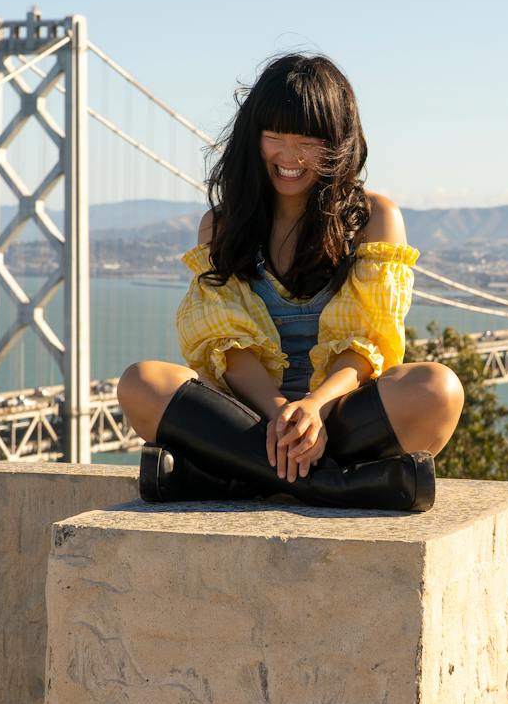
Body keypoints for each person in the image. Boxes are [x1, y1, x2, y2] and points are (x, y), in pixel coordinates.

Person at [116, 53, 463, 512]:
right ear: (253, 138)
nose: (289, 157)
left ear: (338, 142)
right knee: (140, 383)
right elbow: (230, 350)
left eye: (307, 141)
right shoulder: (222, 227)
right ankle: (338, 486)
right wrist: (281, 412)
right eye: (274, 137)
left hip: (340, 414)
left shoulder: (374, 219)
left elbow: (365, 344)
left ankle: (233, 479)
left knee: (438, 390)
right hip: (250, 415)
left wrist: (315, 407)